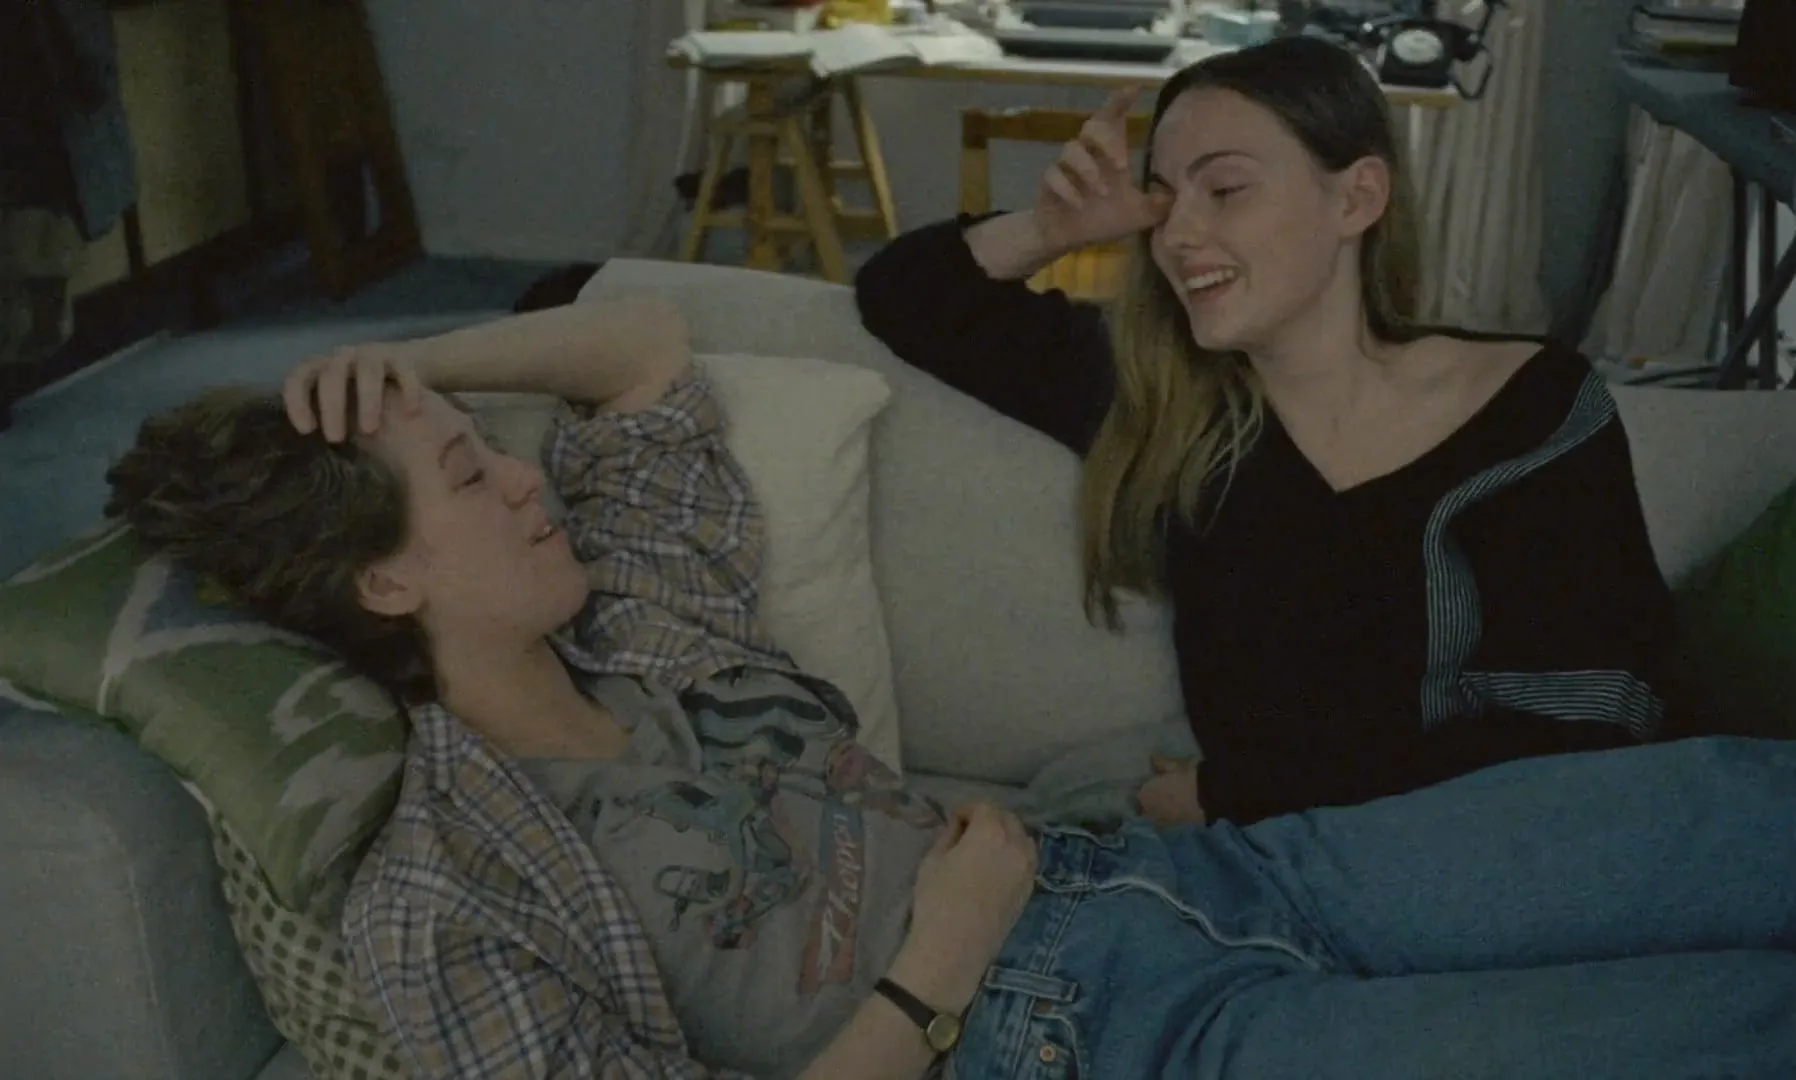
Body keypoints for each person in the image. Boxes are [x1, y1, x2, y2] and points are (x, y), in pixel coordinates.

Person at [104, 279, 1796, 1080]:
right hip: (1104, 1041)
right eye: (471, 476)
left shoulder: (638, 620)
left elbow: (639, 353)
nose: (525, 478)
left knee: (1739, 806)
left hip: (1206, 868)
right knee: (1731, 1028)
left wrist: (409, 362)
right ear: (385, 582)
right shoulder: (447, 893)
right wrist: (937, 972)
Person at [855, 37, 1679, 828]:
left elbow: (1600, 717)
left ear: (1356, 198)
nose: (1178, 235)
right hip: (1243, 866)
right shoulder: (1160, 397)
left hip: (1472, 861)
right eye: (1163, 197)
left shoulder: (1532, 405)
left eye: (1225, 190)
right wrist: (1050, 229)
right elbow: (905, 294)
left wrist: (1240, 795)